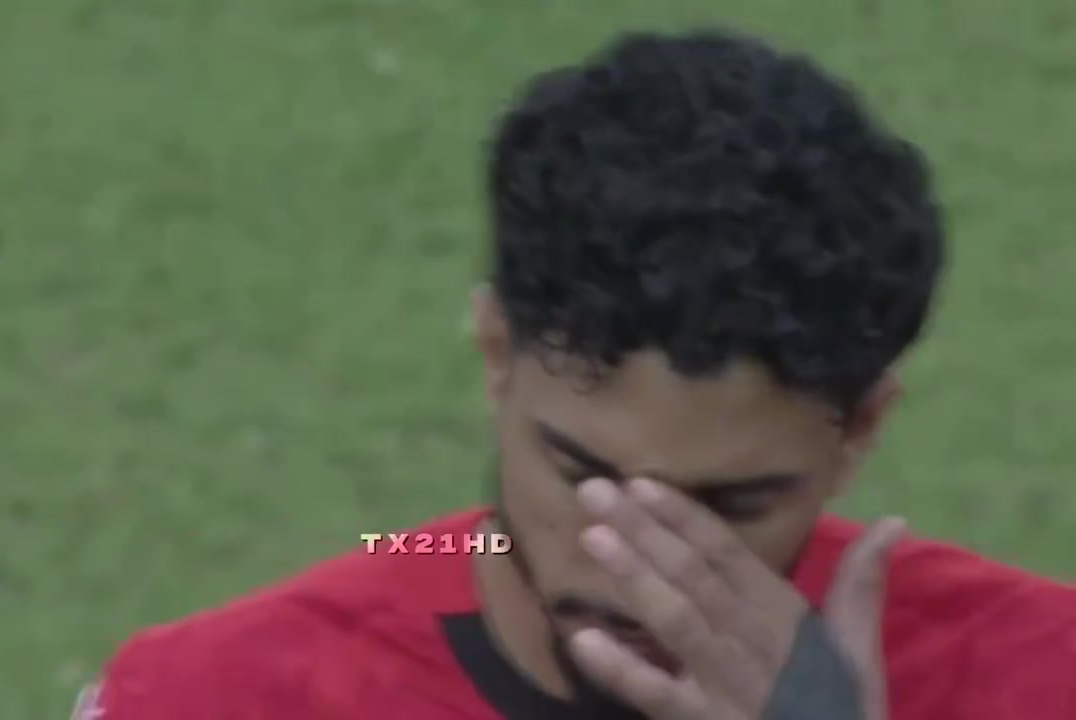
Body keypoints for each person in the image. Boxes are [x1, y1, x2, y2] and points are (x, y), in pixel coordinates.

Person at [78, 30, 1076, 719]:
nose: (631, 572)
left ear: (857, 431)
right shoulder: (214, 699)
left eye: (730, 506)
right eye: (582, 477)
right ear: (495, 354)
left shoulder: (1048, 677)